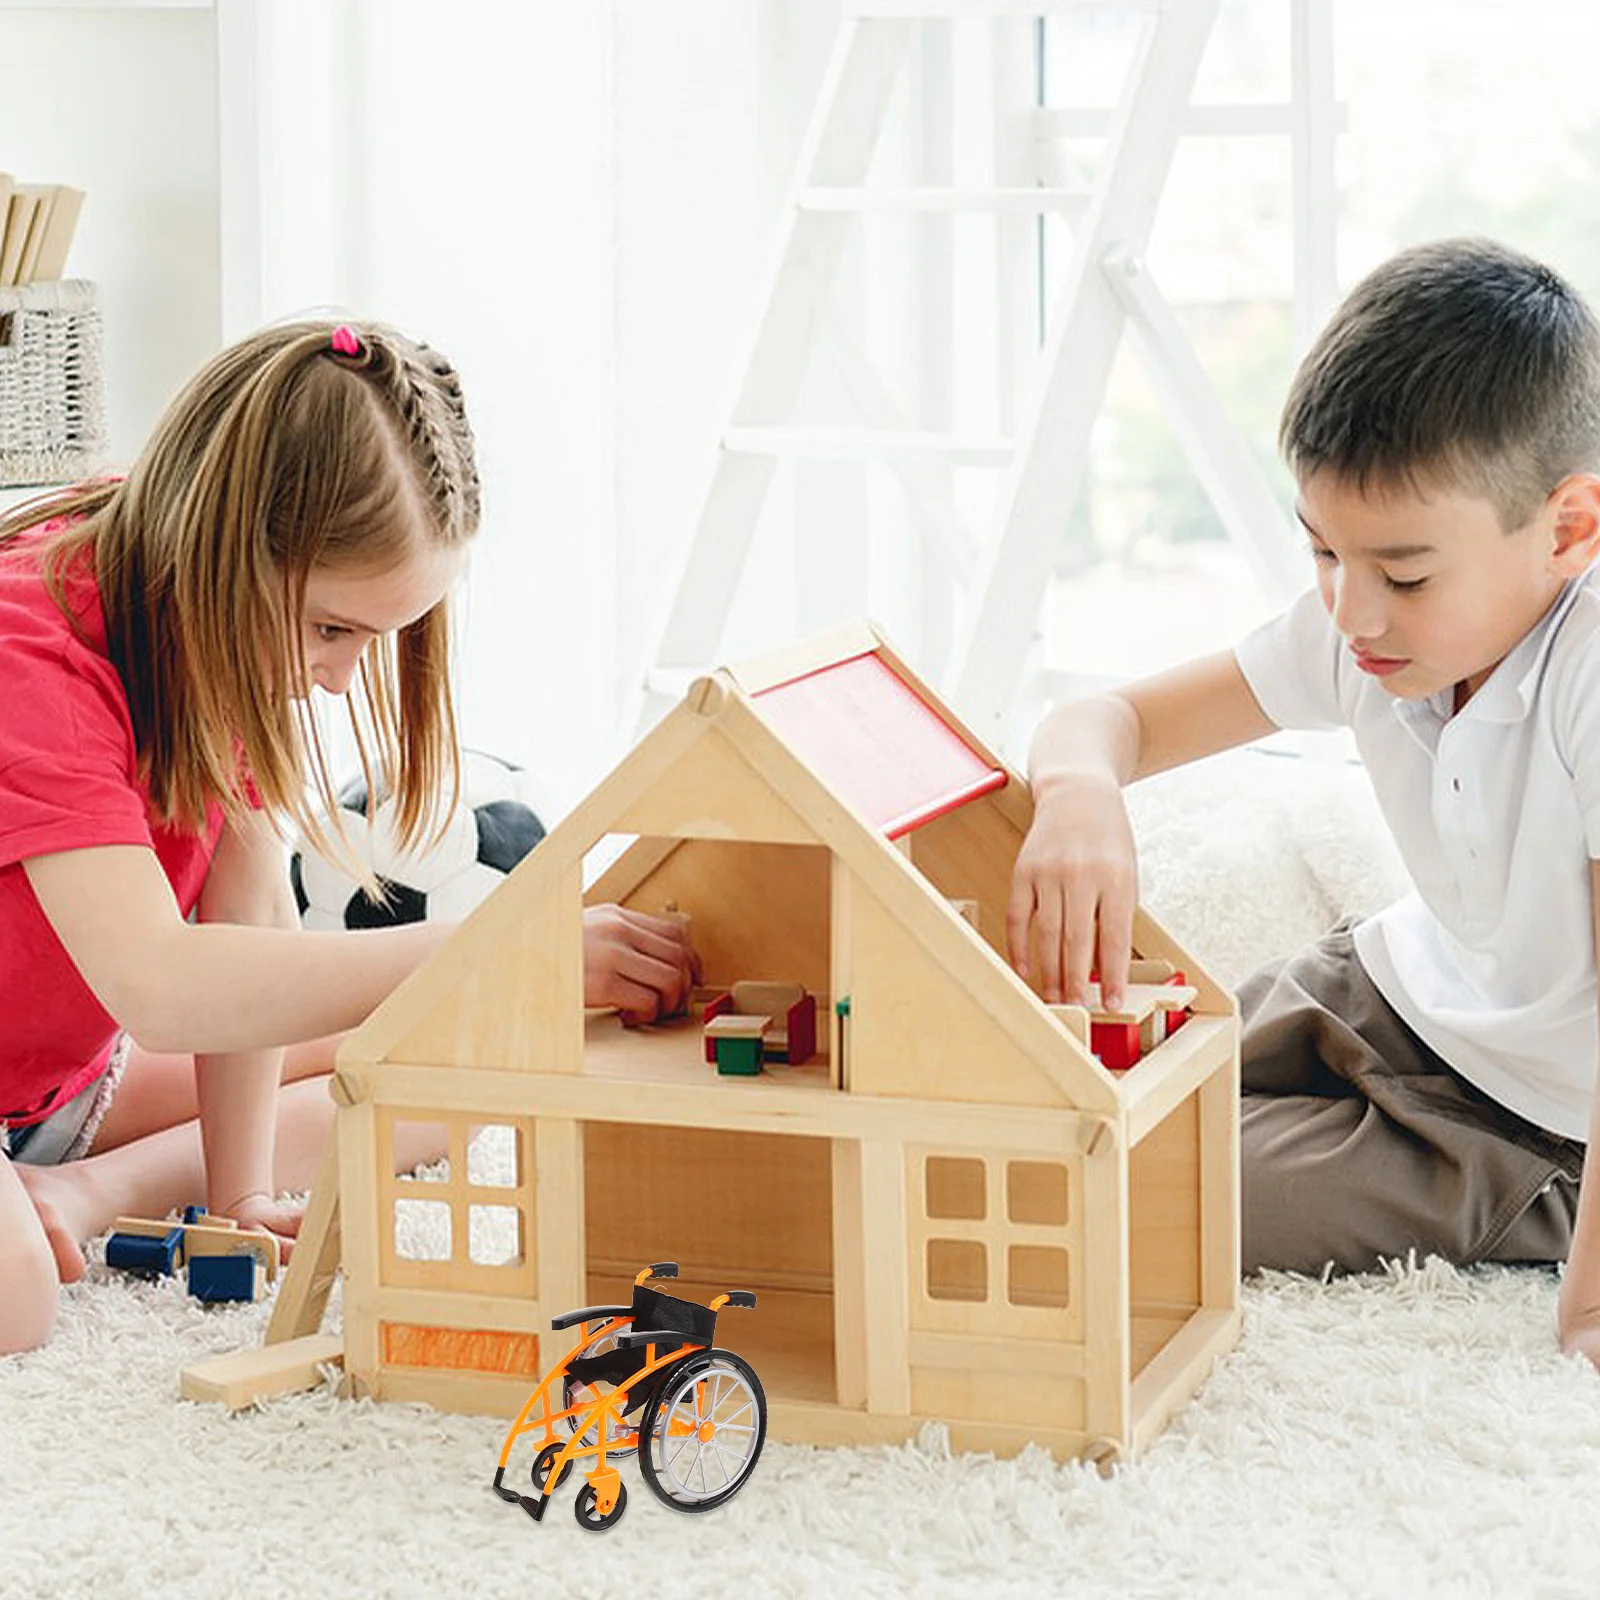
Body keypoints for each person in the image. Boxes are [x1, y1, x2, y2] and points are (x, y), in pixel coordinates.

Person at [0, 320, 697, 1355]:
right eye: (332, 630)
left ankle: (76, 1187)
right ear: (225, 544)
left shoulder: (203, 612)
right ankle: (49, 1198)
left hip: (64, 1085)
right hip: (90, 1047)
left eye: (377, 638)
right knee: (16, 1300)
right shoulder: (34, 650)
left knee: (460, 1063)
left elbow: (249, 911)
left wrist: (243, 1193)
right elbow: (163, 984)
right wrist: (507, 944)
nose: (337, 678)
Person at [1006, 238, 1600, 1370]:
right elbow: (1104, 720)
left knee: (1123, 1189)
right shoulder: (1359, 627)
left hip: (1521, 1123)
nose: (1351, 613)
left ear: (1568, 530)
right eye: (1321, 551)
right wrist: (1080, 793)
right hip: (1384, 985)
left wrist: (1591, 1306)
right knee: (1067, 1085)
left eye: (1404, 574)